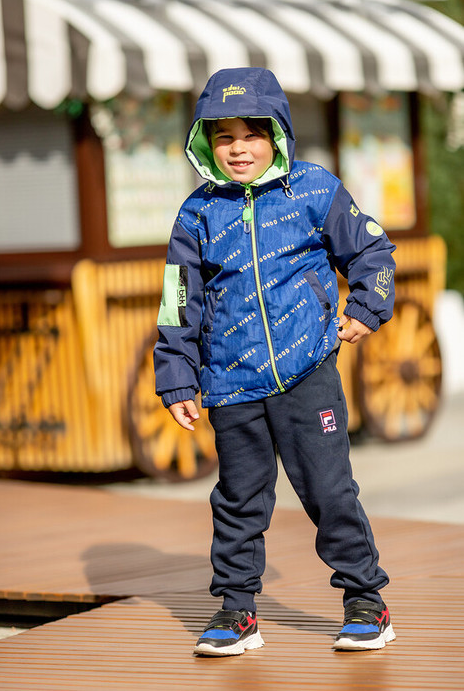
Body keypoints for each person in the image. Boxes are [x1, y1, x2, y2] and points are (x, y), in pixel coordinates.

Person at [153, 67, 397, 656]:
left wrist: (368, 307)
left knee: (329, 491)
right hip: (230, 382)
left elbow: (372, 251)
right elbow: (179, 300)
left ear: (278, 134)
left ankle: (366, 600)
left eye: (252, 135)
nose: (238, 149)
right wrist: (177, 376)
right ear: (205, 143)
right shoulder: (196, 213)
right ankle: (237, 610)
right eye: (224, 137)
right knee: (238, 500)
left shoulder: (314, 189)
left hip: (306, 373)